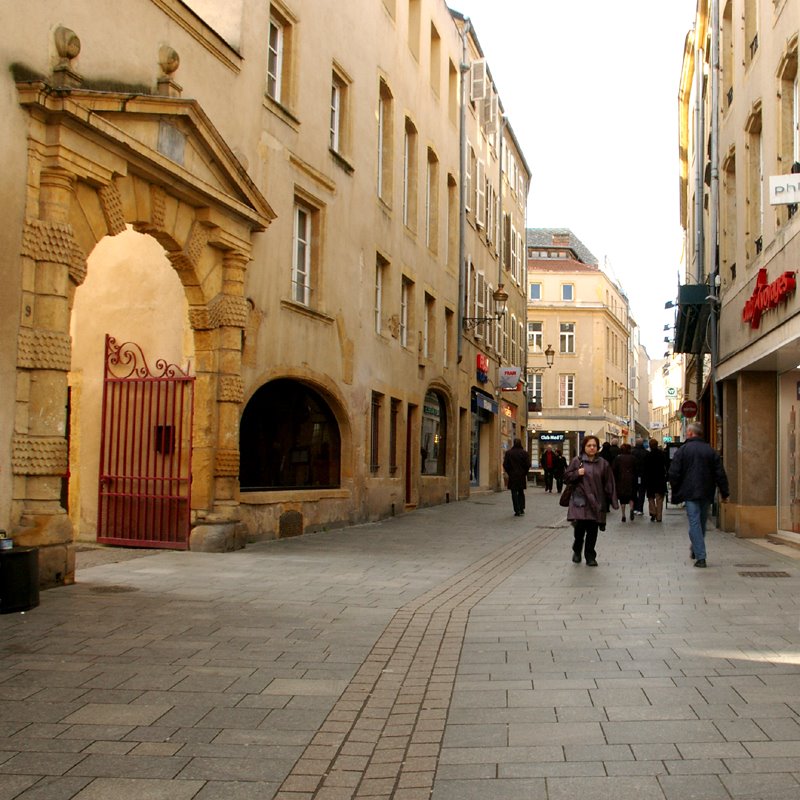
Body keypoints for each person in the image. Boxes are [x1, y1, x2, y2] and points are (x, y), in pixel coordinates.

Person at [668, 422, 730, 568]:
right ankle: (699, 552)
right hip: (707, 491)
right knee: (700, 523)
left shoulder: (683, 450)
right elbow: (720, 473)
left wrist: (675, 488)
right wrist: (724, 492)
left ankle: (699, 553)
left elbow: (674, 472)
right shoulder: (710, 451)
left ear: (689, 433)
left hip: (690, 492)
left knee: (696, 523)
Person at [565, 435, 618, 566]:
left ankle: (590, 556)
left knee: (593, 530)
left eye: (594, 445)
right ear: (584, 447)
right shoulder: (577, 461)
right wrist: (577, 473)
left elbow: (609, 482)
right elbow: (566, 477)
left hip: (596, 501)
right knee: (579, 530)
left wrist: (612, 499)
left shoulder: (603, 464)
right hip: (580, 501)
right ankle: (577, 550)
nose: (592, 448)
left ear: (598, 447)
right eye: (589, 445)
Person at [503, 438, 532, 517]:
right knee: (521, 492)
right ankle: (522, 508)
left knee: (514, 493)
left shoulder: (509, 453)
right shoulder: (524, 453)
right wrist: (524, 472)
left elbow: (505, 464)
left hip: (512, 475)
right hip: (521, 475)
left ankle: (517, 510)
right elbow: (528, 465)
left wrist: (509, 472)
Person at [644, 438, 668, 522]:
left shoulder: (648, 455)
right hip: (660, 479)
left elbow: (645, 468)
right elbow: (666, 466)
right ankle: (659, 517)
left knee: (650, 497)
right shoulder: (662, 454)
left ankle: (653, 512)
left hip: (650, 479)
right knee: (659, 498)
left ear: (650, 446)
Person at [612, 443, 637, 522]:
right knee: (632, 496)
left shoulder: (618, 458)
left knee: (622, 498)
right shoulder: (633, 458)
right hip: (631, 479)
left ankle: (623, 515)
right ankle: (632, 508)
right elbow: (637, 469)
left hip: (621, 480)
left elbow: (614, 469)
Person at [631, 437, 648, 516]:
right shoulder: (646, 453)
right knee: (642, 492)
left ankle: (634, 508)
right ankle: (640, 509)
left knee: (634, 491)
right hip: (643, 475)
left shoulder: (632, 452)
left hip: (634, 475)